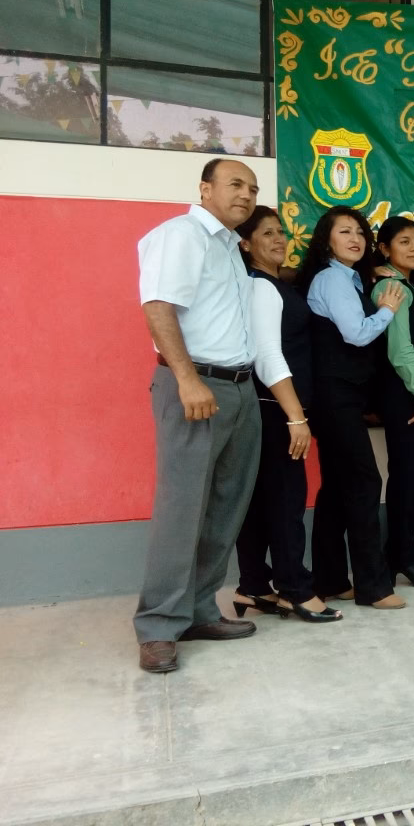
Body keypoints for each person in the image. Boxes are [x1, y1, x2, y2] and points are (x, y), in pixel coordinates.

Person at [134, 158, 263, 674]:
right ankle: (159, 626)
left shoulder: (230, 248)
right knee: (182, 509)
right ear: (205, 188)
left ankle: (199, 610)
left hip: (237, 388)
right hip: (195, 385)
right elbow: (159, 305)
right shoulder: (182, 235)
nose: (246, 195)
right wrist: (187, 379)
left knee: (225, 507)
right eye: (235, 184)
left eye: (252, 188)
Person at [231, 206, 340, 623]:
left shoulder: (273, 284)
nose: (279, 239)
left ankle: (254, 586)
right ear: (246, 243)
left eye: (282, 232)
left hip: (269, 409)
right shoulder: (261, 288)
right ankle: (295, 588)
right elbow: (266, 354)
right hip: (274, 410)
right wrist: (296, 416)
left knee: (262, 502)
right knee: (287, 502)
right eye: (267, 233)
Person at [299, 206, 408, 608]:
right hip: (335, 397)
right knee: (364, 483)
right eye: (344, 231)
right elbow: (357, 334)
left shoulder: (347, 279)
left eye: (360, 231)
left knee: (338, 488)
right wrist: (388, 310)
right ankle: (372, 586)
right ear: (326, 239)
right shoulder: (332, 279)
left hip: (339, 396)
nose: (355, 238)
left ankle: (329, 578)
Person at [372, 217, 414, 588]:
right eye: (404, 241)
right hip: (404, 393)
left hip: (410, 393)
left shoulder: (408, 285)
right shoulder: (391, 286)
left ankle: (397, 551)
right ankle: (401, 555)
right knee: (409, 472)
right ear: (385, 249)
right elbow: (400, 351)